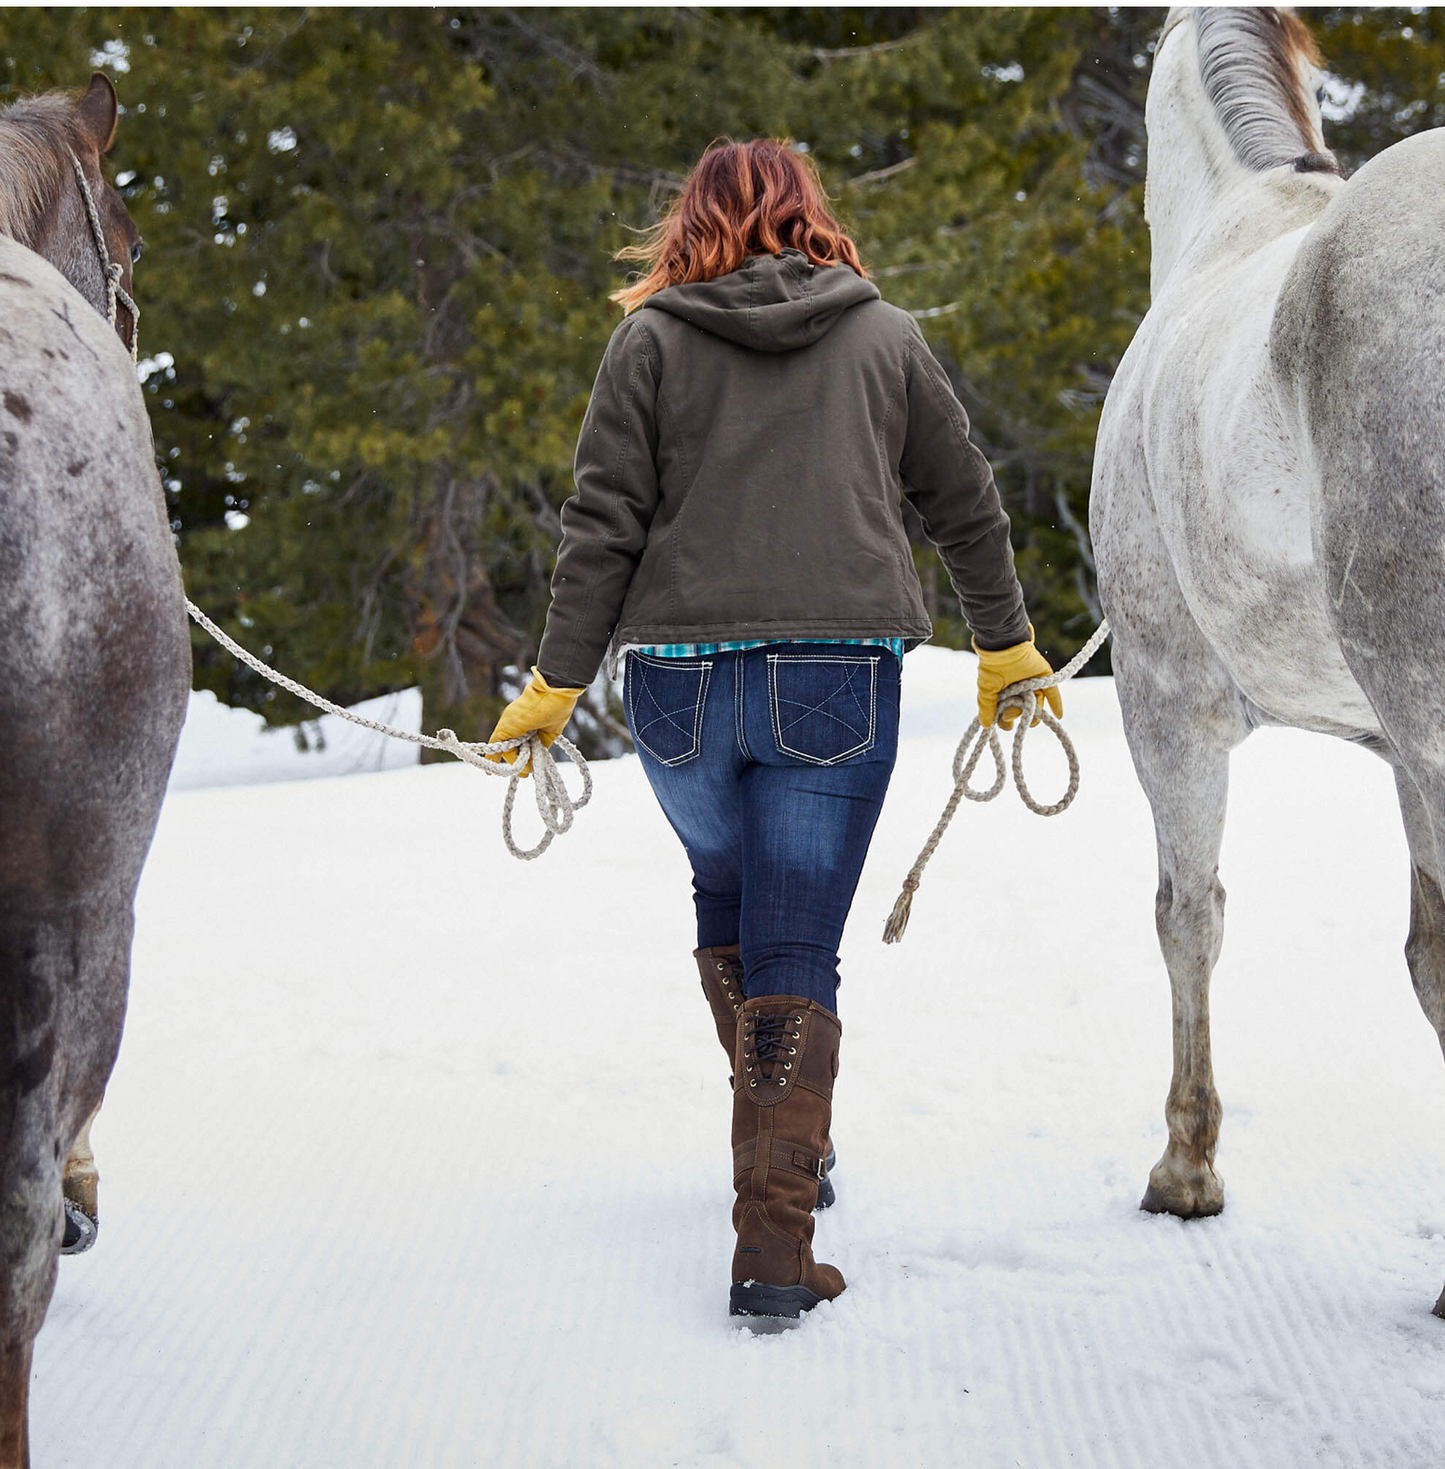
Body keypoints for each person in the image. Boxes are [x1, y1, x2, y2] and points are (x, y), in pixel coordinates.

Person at [487, 137, 1062, 1325]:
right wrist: (1003, 642)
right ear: (812, 216)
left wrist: (554, 681)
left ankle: (782, 1157)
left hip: (677, 691)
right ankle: (772, 1246)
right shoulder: (882, 334)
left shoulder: (646, 340)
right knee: (793, 941)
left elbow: (599, 526)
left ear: (688, 222)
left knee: (729, 895)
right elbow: (964, 503)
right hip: (833, 677)